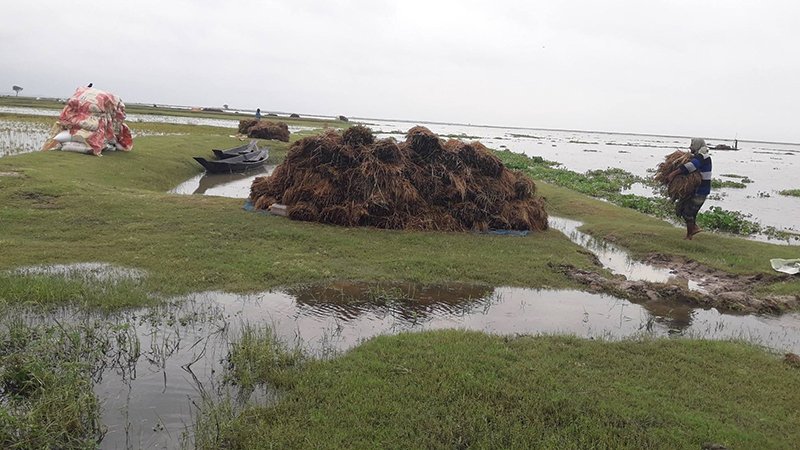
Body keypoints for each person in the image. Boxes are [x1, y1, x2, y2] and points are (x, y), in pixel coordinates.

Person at [666, 138, 712, 240]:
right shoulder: (699, 156)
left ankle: (690, 233)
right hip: (695, 189)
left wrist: (674, 173)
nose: (690, 147)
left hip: (701, 190)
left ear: (697, 145)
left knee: (688, 212)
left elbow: (691, 166)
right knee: (683, 209)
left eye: (692, 145)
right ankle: (692, 231)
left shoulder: (703, 156)